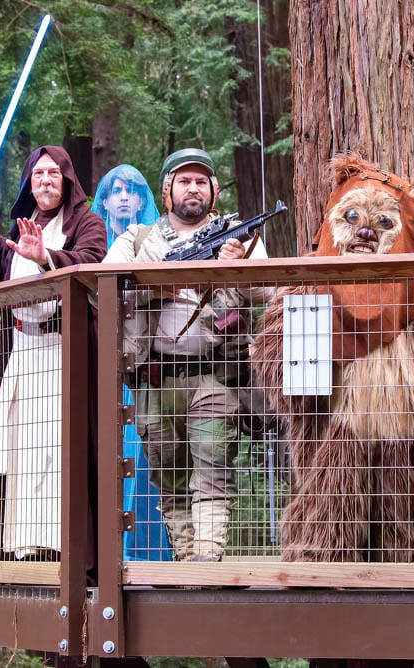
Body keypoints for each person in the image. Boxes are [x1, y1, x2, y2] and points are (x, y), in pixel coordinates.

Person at [102, 148, 268, 562]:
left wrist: (238, 269)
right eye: (184, 180)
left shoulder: (237, 234)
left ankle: (208, 561)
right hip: (156, 377)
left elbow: (271, 291)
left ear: (213, 191)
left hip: (217, 374)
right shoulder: (137, 239)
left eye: (201, 181)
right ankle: (185, 561)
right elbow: (103, 286)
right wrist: (150, 283)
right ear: (167, 190)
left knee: (213, 467)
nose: (192, 188)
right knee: (169, 474)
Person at [0, 145, 107, 559]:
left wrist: (46, 257)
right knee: (23, 455)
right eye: (38, 174)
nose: (45, 180)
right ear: (29, 182)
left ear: (67, 181)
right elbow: (1, 264)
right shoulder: (19, 229)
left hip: (64, 354)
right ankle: (25, 553)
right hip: (23, 352)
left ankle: (69, 556)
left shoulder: (87, 223)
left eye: (54, 174)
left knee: (58, 454)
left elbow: (92, 263)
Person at [92, 164, 173, 562]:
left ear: (143, 200)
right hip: (96, 366)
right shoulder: (93, 243)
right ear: (104, 199)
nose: (124, 196)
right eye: (116, 190)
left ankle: (144, 556)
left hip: (141, 367)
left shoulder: (154, 240)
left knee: (141, 459)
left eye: (132, 190)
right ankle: (102, 556)